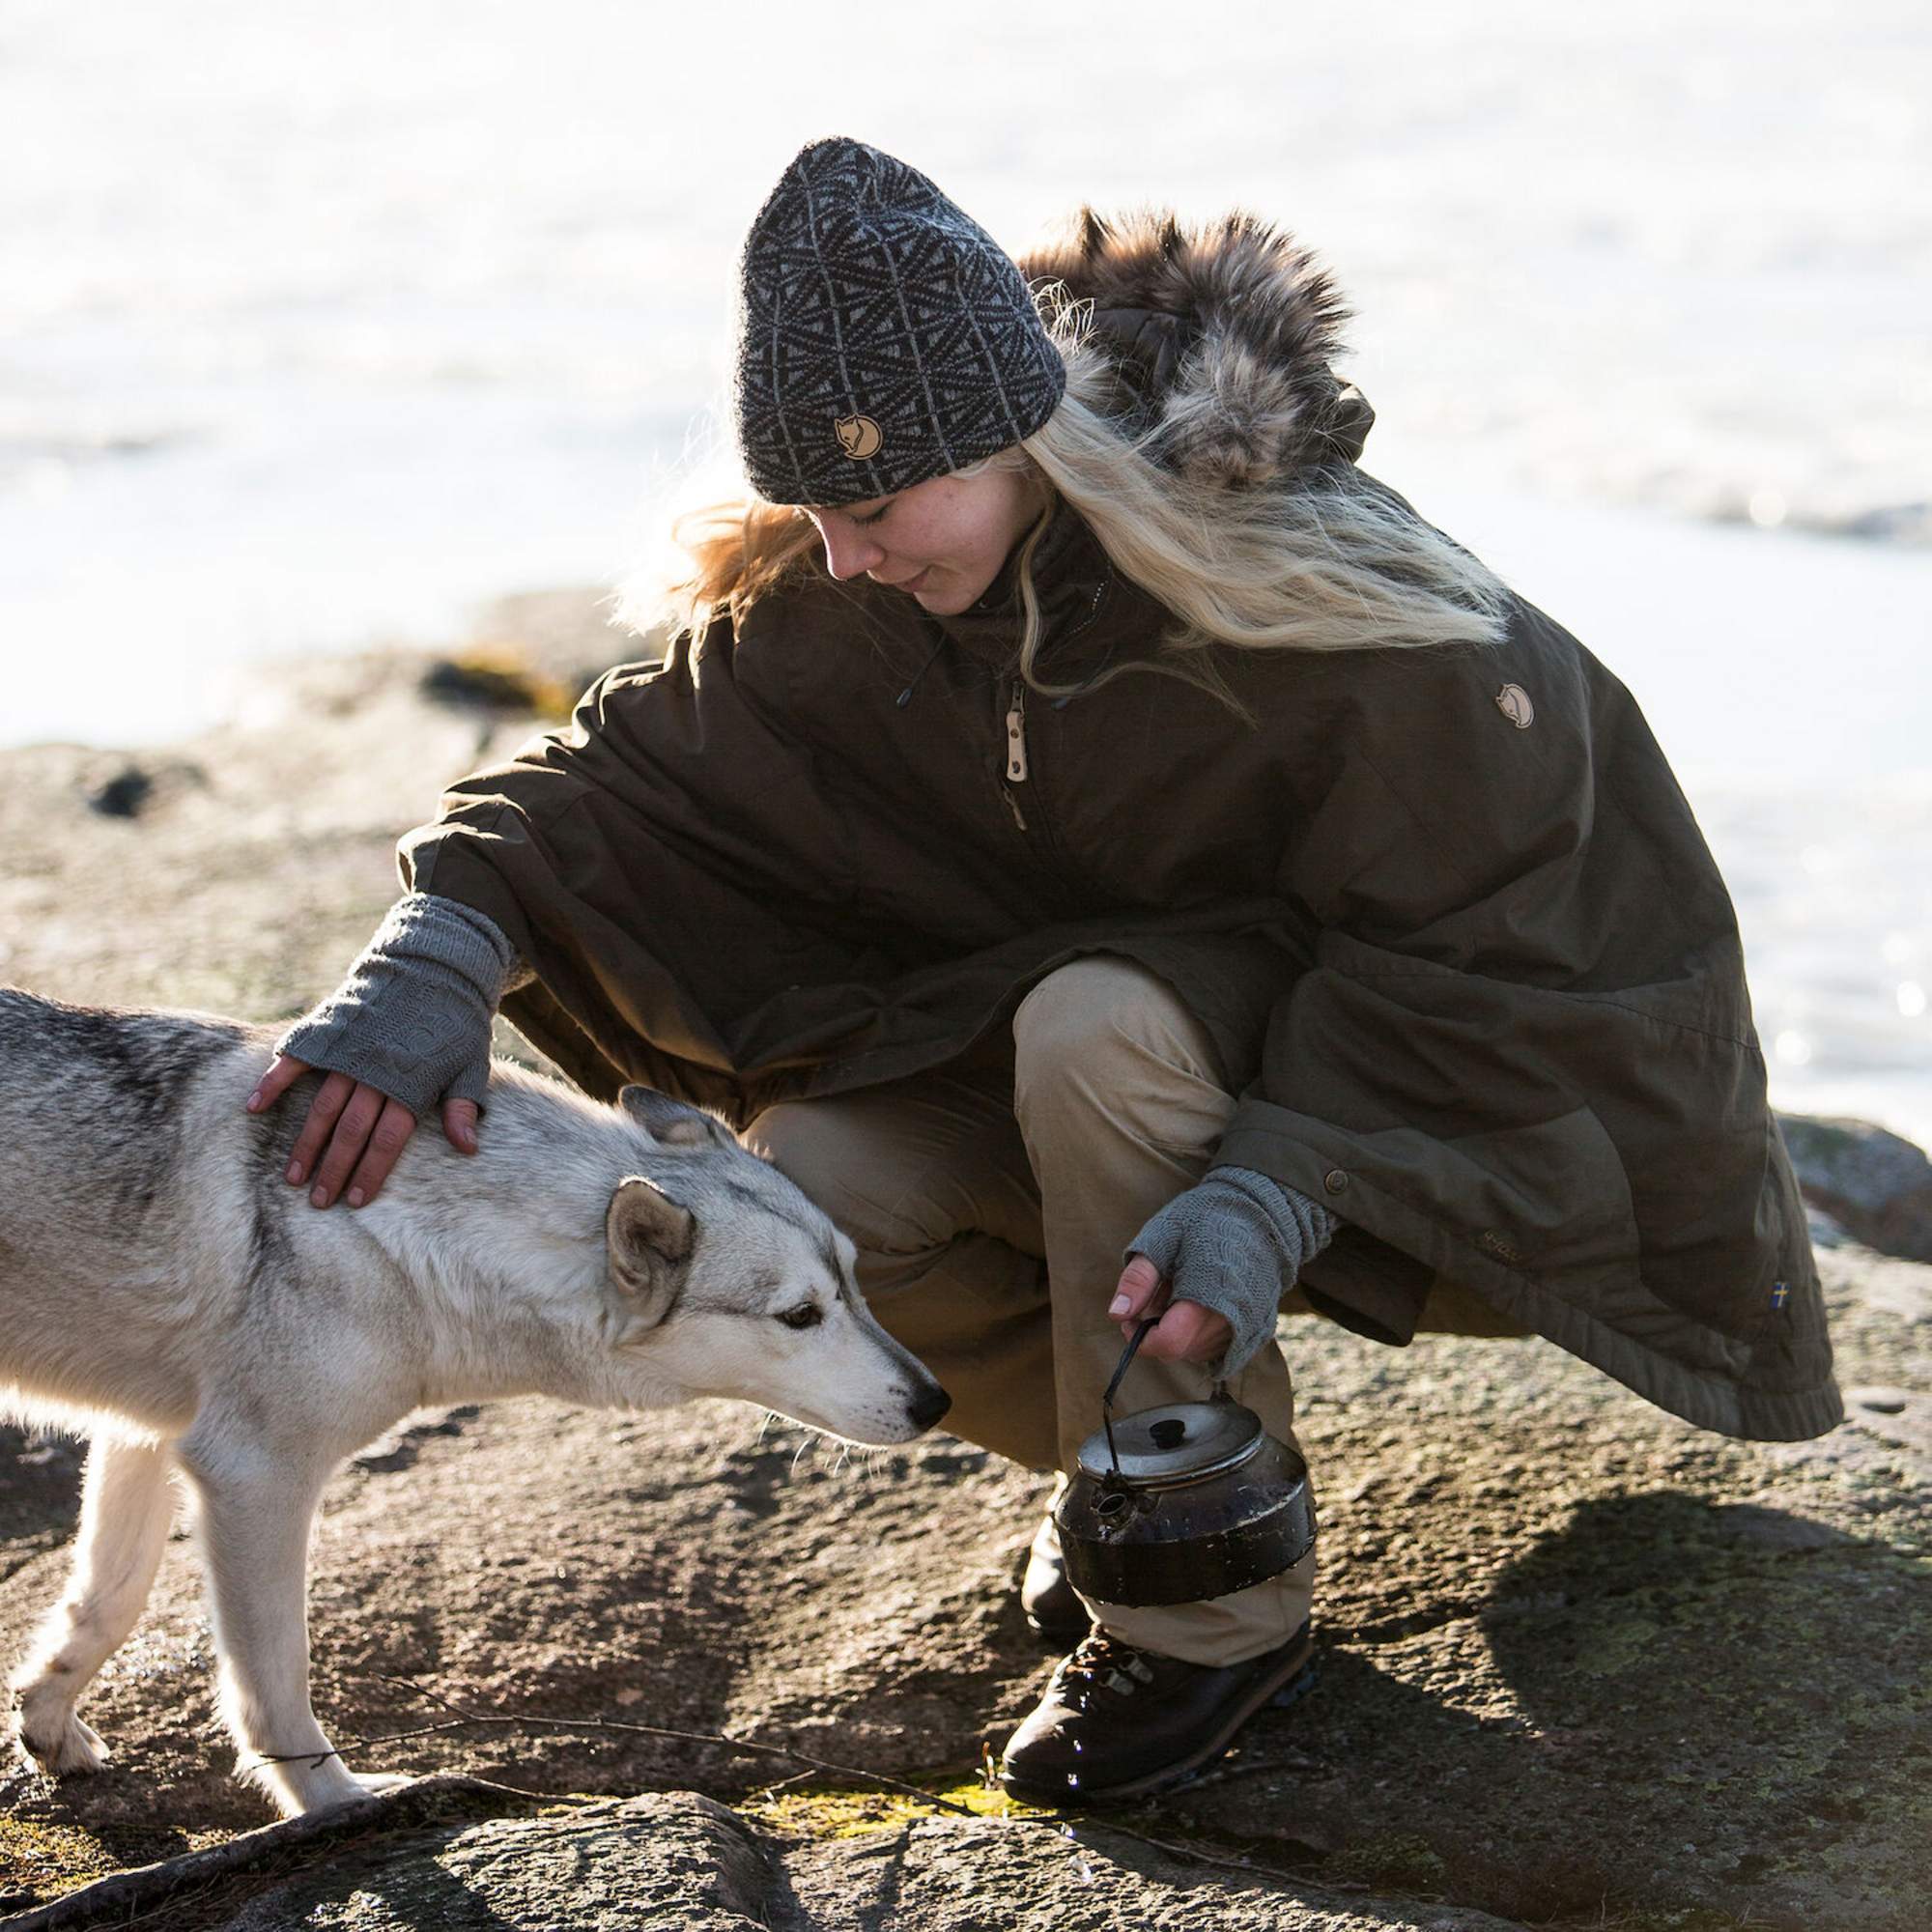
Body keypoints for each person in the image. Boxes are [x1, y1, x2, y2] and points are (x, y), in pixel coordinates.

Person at [246, 137, 1841, 1805]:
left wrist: (1275, 1191)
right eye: (814, 512)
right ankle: (1142, 1466)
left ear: (1011, 443)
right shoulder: (843, 595)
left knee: (1097, 1031)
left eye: (871, 506)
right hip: (1127, 1112)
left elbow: (1514, 937)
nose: (844, 555)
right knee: (824, 1186)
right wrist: (435, 951)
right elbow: (612, 775)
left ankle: (1209, 1621)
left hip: (1402, 1121)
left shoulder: (1337, 606)